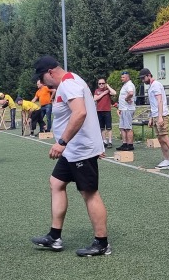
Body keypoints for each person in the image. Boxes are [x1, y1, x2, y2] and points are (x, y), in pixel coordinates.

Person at [30, 55, 111, 257]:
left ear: (50, 72)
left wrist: (62, 142)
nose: (42, 83)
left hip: (79, 149)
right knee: (56, 182)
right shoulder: (69, 82)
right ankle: (54, 236)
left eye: (41, 77)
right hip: (72, 151)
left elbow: (80, 113)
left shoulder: (69, 84)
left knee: (89, 193)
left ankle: (102, 243)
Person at [138, 68, 169, 170]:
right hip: (155, 115)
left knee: (165, 137)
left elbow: (160, 101)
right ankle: (167, 160)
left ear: (149, 75)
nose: (142, 80)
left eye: (143, 78)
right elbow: (153, 104)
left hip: (162, 115)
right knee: (160, 139)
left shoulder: (156, 85)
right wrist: (151, 117)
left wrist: (160, 116)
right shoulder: (151, 87)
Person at [93, 77, 117, 148]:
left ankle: (110, 141)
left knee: (109, 127)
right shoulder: (97, 90)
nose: (101, 85)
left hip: (107, 111)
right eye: (99, 83)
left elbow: (114, 93)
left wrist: (108, 86)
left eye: (103, 83)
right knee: (102, 128)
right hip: (99, 111)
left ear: (105, 84)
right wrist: (103, 93)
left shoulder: (108, 90)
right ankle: (104, 141)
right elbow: (95, 98)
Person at [115, 71, 136, 151]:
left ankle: (130, 145)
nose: (122, 78)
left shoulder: (129, 85)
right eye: (121, 77)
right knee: (122, 127)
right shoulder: (125, 85)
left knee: (127, 127)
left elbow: (131, 93)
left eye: (123, 77)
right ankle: (124, 144)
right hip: (123, 109)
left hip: (127, 109)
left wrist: (127, 98)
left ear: (127, 77)